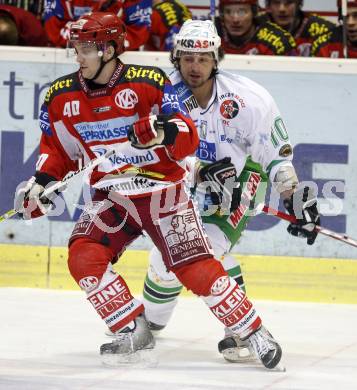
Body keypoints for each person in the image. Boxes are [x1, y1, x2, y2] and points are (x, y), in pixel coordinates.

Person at [14, 12, 284, 369]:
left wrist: (162, 133)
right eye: (76, 47)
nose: (77, 55)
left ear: (109, 50)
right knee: (83, 254)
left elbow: (186, 134)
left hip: (164, 193)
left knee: (196, 267)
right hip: (113, 198)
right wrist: (41, 184)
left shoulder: (149, 82)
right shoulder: (61, 96)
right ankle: (131, 327)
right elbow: (58, 152)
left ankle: (253, 331)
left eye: (85, 48)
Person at [141, 19, 321, 364]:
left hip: (237, 183)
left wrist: (296, 199)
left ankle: (239, 328)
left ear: (216, 58)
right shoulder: (159, 96)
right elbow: (149, 152)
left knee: (205, 249)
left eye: (204, 59)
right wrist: (197, 171)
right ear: (175, 58)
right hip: (179, 184)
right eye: (188, 59)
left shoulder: (248, 99)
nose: (195, 67)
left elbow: (276, 156)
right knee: (165, 261)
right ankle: (150, 320)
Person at [43, 0, 152, 49]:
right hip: (67, 59)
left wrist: (91, 35)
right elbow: (54, 31)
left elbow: (138, 34)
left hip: (121, 61)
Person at [215, 0, 297, 55]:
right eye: (228, 12)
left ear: (254, 13)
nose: (235, 19)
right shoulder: (209, 32)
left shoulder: (278, 41)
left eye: (242, 12)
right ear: (222, 15)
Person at [261, 0, 336, 56]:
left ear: (299, 4)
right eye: (276, 2)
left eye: (289, 2)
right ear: (268, 6)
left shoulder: (323, 29)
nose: (282, 9)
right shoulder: (257, 26)